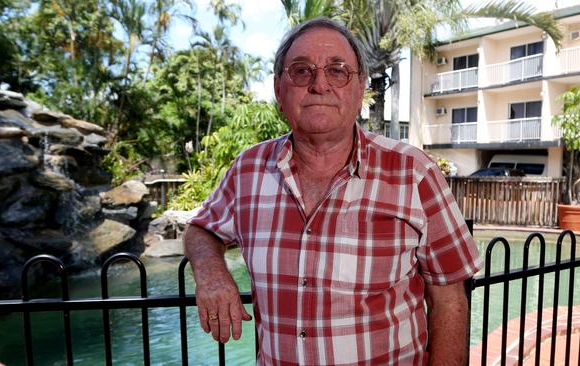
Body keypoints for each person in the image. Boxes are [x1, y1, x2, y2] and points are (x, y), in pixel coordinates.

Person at [184, 17, 482, 365]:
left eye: (338, 71)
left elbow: (450, 298)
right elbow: (201, 228)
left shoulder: (414, 173)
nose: (319, 84)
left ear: (359, 92)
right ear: (279, 91)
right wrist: (211, 273)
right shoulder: (246, 170)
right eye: (301, 71)